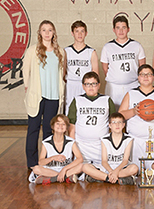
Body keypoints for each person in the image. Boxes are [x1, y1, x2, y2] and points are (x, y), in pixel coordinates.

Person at [23, 20, 65, 169]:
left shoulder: (60, 51)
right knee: (33, 128)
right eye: (44, 30)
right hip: (37, 96)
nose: (47, 33)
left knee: (48, 130)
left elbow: (61, 73)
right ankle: (33, 163)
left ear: (54, 33)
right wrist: (28, 87)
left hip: (53, 97)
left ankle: (47, 161)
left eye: (50, 30)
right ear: (39, 33)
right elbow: (25, 70)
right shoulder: (33, 50)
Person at [119, 64, 154, 167]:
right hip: (136, 140)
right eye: (142, 74)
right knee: (136, 171)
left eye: (149, 74)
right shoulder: (131, 93)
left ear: (153, 76)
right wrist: (133, 111)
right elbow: (120, 116)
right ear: (138, 77)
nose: (146, 77)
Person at [68, 72, 116, 169]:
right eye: (87, 84)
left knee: (105, 168)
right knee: (80, 168)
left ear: (99, 85)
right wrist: (73, 147)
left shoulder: (107, 100)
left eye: (93, 84)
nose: (91, 87)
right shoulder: (77, 100)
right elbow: (71, 125)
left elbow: (114, 125)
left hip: (101, 145)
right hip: (81, 145)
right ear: (83, 86)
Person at [101, 15, 146, 110]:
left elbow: (142, 67)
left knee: (133, 114)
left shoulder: (136, 45)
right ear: (113, 30)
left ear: (128, 29)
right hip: (113, 87)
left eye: (124, 27)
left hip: (132, 85)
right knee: (114, 115)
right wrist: (116, 78)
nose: (121, 31)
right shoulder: (107, 47)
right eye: (118, 28)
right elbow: (105, 68)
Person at [82, 113, 138, 185]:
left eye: (119, 122)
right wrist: (111, 172)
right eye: (114, 122)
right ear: (110, 125)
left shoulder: (128, 139)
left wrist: (115, 172)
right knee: (85, 167)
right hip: (107, 168)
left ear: (123, 125)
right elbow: (104, 161)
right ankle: (114, 179)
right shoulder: (104, 139)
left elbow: (125, 160)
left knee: (134, 168)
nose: (117, 125)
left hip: (121, 168)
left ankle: (100, 178)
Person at [28, 114, 83, 185]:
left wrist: (64, 169)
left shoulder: (71, 142)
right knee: (36, 169)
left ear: (66, 128)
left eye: (63, 124)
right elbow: (41, 162)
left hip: (66, 169)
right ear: (52, 126)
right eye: (58, 123)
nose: (60, 126)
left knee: (82, 166)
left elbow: (80, 159)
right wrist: (52, 158)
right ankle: (65, 177)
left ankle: (52, 178)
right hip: (50, 170)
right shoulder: (46, 142)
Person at [64, 20, 99, 115]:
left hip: (85, 85)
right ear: (72, 33)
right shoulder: (66, 51)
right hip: (71, 84)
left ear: (86, 33)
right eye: (77, 31)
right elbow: (63, 72)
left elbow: (95, 73)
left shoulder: (91, 52)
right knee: (69, 110)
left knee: (84, 109)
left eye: (82, 31)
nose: (79, 34)